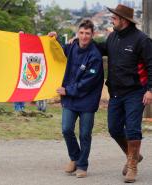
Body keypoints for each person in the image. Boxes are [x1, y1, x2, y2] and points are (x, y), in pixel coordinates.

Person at [98, 4, 152, 183]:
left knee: (133, 128)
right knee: (114, 129)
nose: (111, 20)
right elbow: (99, 50)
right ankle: (134, 155)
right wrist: (78, 43)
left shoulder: (142, 40)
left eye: (114, 18)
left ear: (124, 21)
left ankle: (132, 166)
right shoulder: (112, 37)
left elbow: (151, 66)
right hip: (115, 93)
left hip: (135, 92)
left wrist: (150, 90)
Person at [48, 19, 104, 178]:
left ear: (92, 35)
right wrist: (54, 39)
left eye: (87, 33)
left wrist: (67, 90)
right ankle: (75, 157)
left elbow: (88, 83)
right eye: (81, 33)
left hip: (87, 100)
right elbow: (58, 52)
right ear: (77, 33)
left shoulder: (95, 56)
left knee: (85, 134)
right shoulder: (72, 47)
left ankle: (82, 165)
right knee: (66, 129)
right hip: (70, 99)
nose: (84, 36)